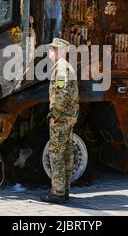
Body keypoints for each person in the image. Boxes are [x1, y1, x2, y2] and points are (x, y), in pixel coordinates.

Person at [40, 38, 79, 204]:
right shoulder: (66, 67)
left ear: (59, 51)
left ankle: (57, 193)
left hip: (61, 118)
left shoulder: (61, 69)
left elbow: (61, 94)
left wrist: (54, 115)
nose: (49, 51)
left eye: (52, 48)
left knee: (56, 153)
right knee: (67, 153)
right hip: (69, 116)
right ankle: (65, 190)